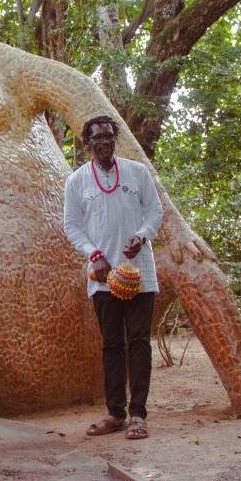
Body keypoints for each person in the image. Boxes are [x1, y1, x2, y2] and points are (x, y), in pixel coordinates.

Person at [63, 115, 164, 440]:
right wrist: (94, 254)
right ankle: (115, 413)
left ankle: (138, 415)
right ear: (87, 143)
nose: (104, 142)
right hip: (103, 277)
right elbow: (71, 226)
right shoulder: (77, 181)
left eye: (108, 137)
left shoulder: (136, 173)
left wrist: (141, 236)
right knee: (111, 345)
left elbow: (155, 211)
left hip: (139, 274)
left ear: (114, 139)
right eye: (97, 139)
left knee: (138, 342)